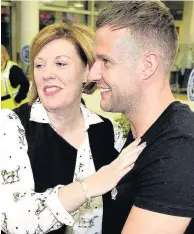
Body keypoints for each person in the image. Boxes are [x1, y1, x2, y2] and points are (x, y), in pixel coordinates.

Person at [0, 23, 146, 234]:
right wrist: (89, 187)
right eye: (39, 65)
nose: (46, 74)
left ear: (87, 70)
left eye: (60, 63)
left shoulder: (110, 131)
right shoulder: (12, 127)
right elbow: (11, 218)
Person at [88, 1, 194, 234]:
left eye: (106, 61)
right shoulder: (142, 135)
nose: (93, 73)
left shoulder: (179, 148)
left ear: (147, 66)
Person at [1, 45, 30, 110]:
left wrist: (17, 100)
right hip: (4, 110)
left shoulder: (13, 68)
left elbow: (25, 84)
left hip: (17, 108)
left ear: (3, 55)